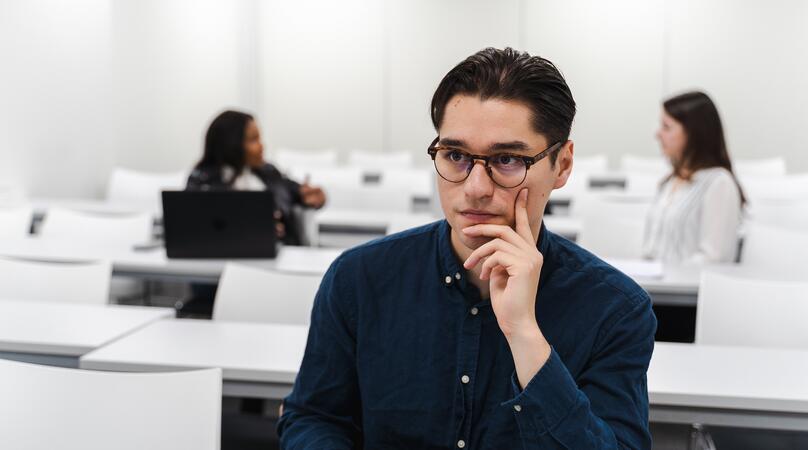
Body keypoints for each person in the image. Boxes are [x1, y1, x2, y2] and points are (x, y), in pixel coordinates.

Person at [277, 48, 656, 449]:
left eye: (507, 159)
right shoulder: (360, 278)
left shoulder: (615, 309)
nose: (475, 188)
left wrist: (525, 334)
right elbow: (314, 417)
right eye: (455, 155)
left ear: (562, 164)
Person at [186, 110, 326, 245]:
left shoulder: (268, 172)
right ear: (231, 144)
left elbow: (296, 191)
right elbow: (201, 227)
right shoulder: (202, 182)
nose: (261, 146)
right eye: (253, 140)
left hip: (282, 254)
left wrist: (314, 197)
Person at [642, 91, 745, 264]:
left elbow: (715, 259)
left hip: (686, 288)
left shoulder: (719, 183)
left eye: (667, 127)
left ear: (694, 133)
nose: (658, 134)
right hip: (656, 286)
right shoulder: (670, 181)